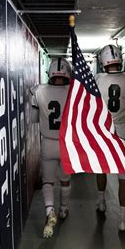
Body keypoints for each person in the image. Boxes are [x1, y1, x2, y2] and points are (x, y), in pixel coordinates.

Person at [95, 44, 125, 231]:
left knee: (101, 168)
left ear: (103, 62)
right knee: (124, 177)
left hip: (104, 131)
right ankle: (123, 219)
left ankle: (101, 202)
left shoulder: (98, 79)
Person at [30, 57, 72, 239]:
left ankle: (49, 211)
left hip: (48, 142)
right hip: (67, 143)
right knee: (65, 180)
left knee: (48, 181)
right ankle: (63, 209)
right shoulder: (73, 92)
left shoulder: (39, 91)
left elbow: (33, 119)